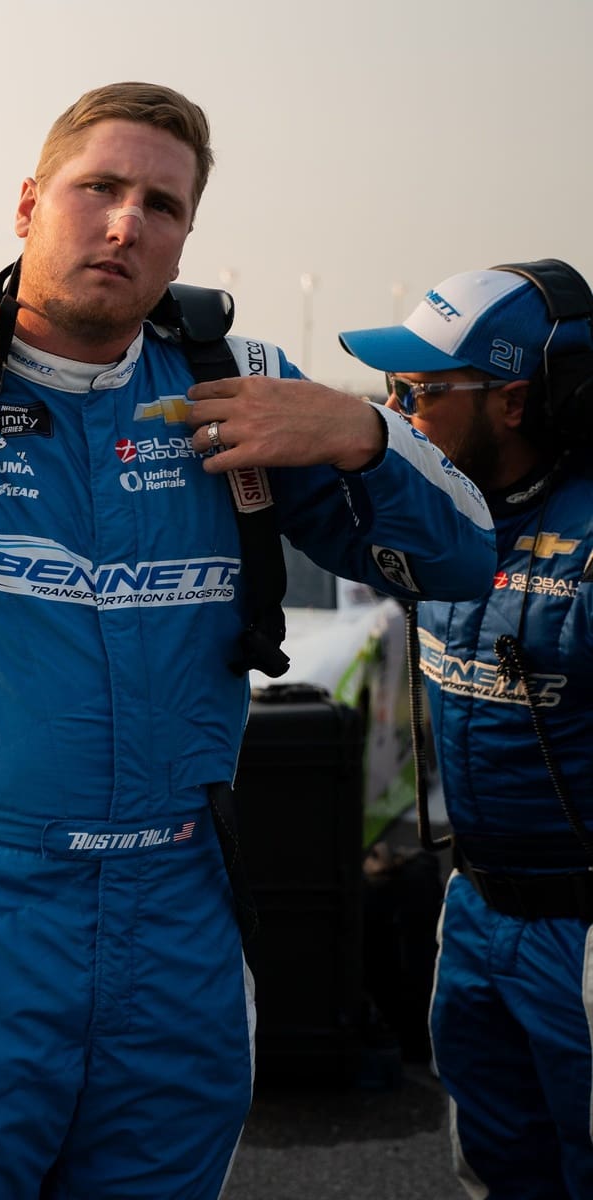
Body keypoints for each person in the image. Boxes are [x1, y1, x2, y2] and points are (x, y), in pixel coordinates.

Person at [0, 81, 496, 1199]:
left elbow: (465, 557)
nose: (126, 224)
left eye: (162, 206)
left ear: (185, 239)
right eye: (99, 189)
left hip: (182, 909)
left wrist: (360, 433)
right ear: (29, 203)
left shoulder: (236, 388)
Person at [337, 262, 593, 1196]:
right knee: (493, 1168)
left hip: (582, 932)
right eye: (392, 388)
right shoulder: (441, 512)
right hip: (478, 910)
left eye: (423, 391)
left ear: (516, 400)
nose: (398, 409)